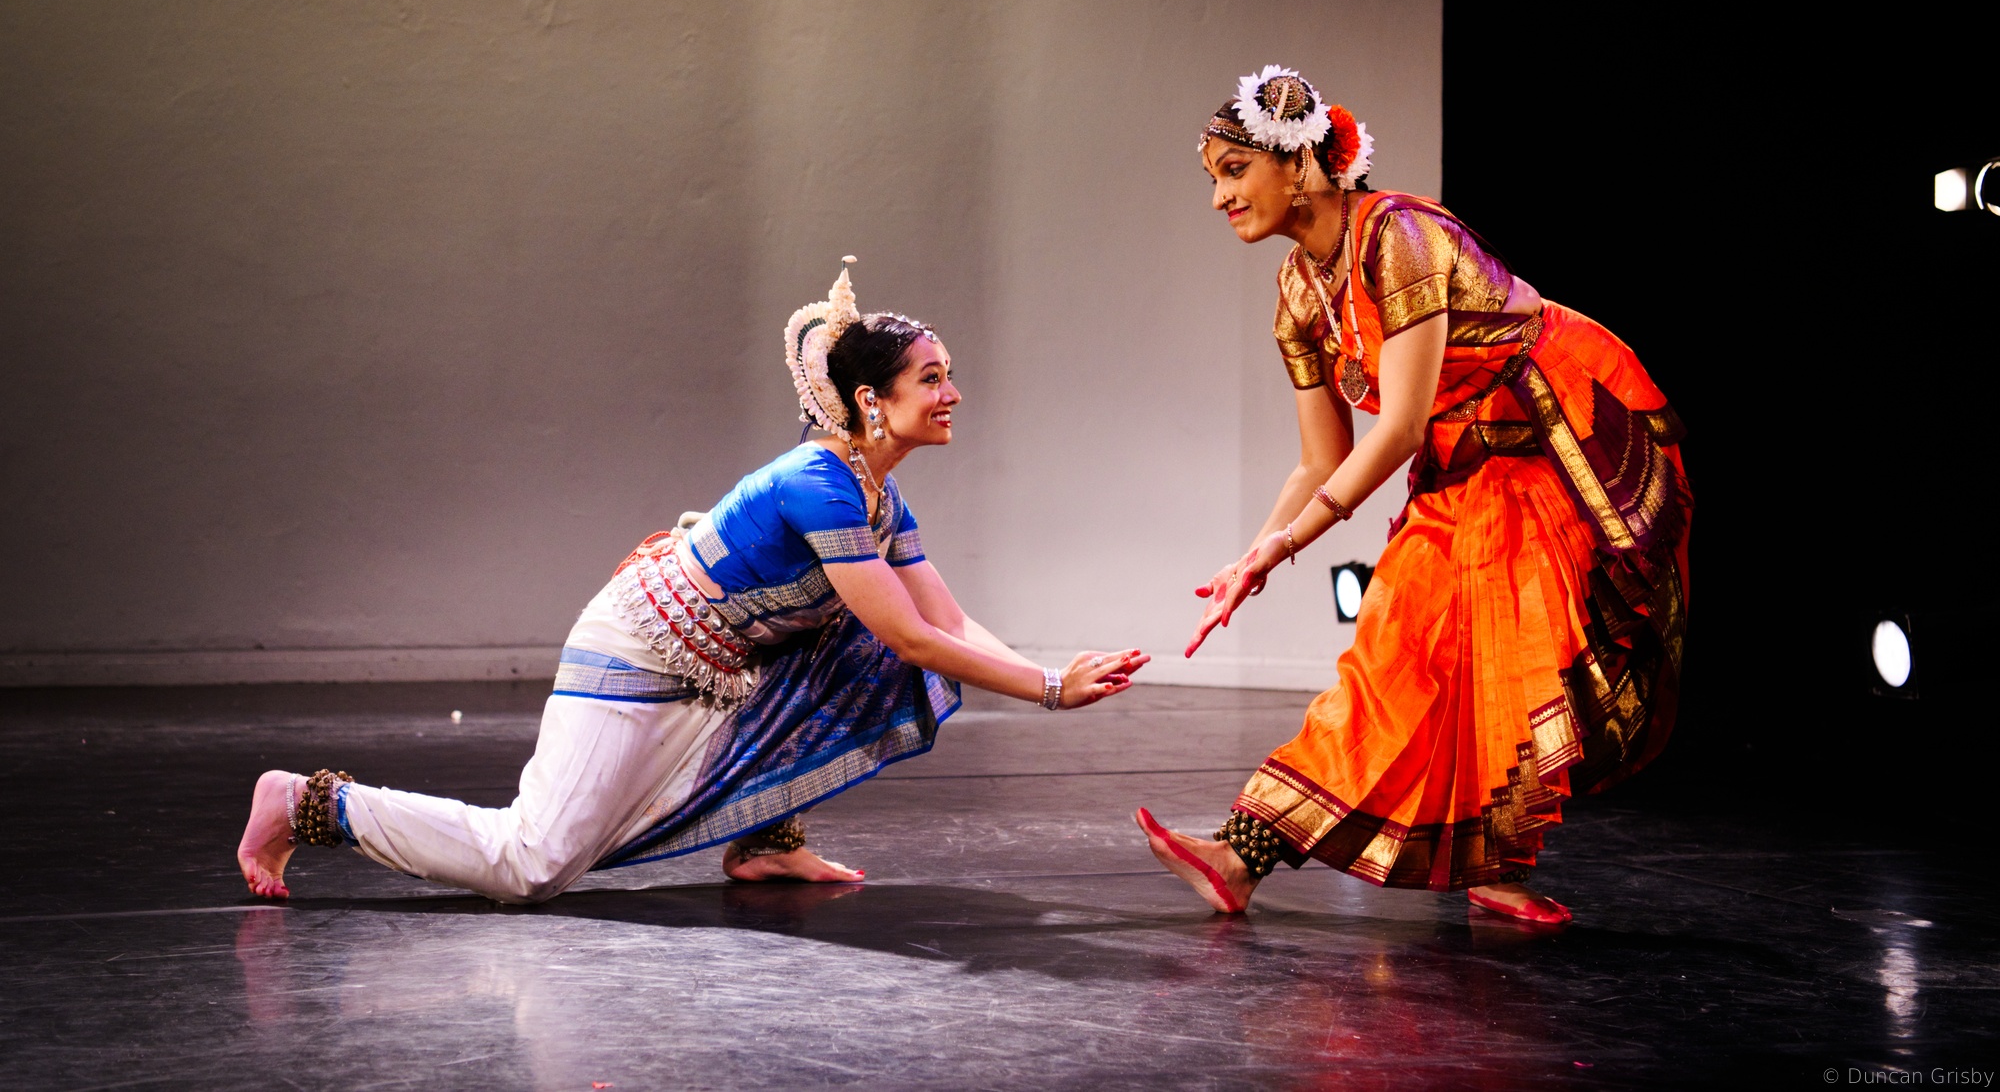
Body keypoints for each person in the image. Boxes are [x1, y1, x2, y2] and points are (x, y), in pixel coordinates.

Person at [239, 259, 1149, 904]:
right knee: (530, 865)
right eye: (933, 378)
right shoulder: (819, 483)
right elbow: (916, 636)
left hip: (722, 667)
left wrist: (1053, 674)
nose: (953, 395)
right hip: (638, 655)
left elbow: (943, 619)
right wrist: (1049, 689)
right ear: (872, 400)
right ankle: (312, 803)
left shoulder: (878, 495)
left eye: (950, 376)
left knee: (873, 648)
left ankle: (765, 837)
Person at [1136, 68, 1689, 925]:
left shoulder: (1400, 237)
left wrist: (1287, 545)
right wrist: (1256, 555)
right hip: (1462, 454)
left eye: (1235, 171)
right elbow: (1321, 459)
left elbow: (1393, 431)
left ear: (1300, 163)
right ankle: (1241, 855)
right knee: (1396, 647)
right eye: (1215, 178)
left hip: (1552, 436)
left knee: (1513, 654)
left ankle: (1496, 864)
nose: (1220, 198)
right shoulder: (1296, 293)